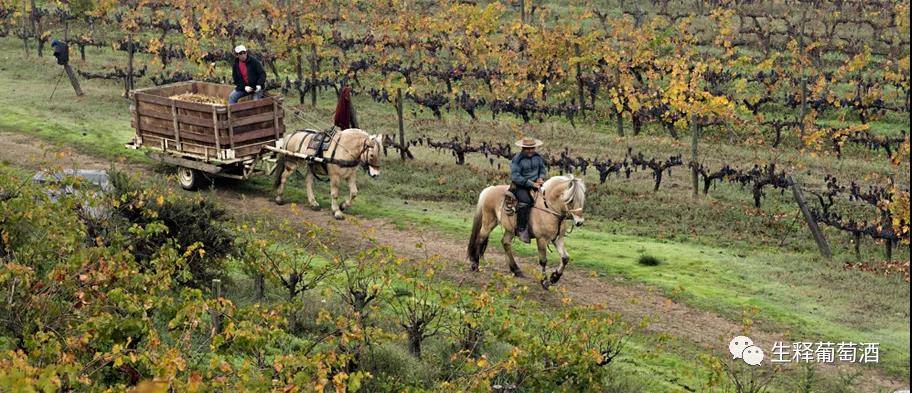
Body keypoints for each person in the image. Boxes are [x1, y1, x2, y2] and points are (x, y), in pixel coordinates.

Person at [510, 136, 547, 243]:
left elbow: (542, 169)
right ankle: (521, 229)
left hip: (537, 184)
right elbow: (515, 176)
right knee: (525, 202)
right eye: (527, 148)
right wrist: (531, 184)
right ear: (523, 148)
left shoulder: (538, 157)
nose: (530, 151)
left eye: (532, 148)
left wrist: (541, 178)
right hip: (520, 186)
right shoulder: (517, 160)